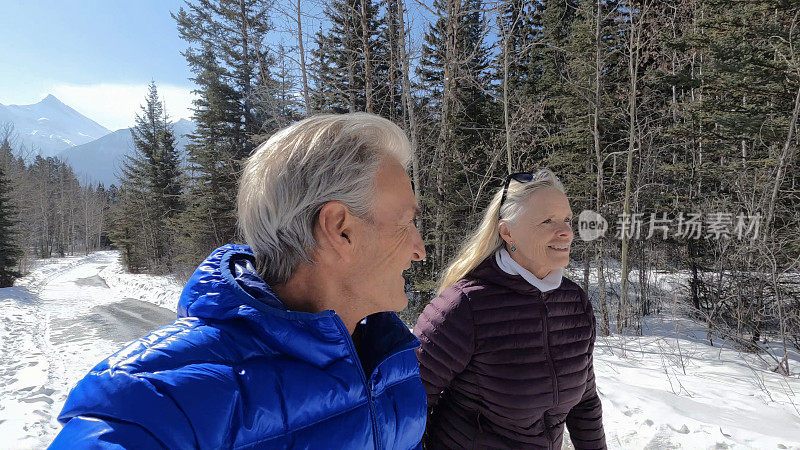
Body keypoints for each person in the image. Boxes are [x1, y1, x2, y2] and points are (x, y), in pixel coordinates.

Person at [51, 113, 428, 449]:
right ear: (339, 230)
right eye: (405, 224)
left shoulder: (393, 359)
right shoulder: (155, 406)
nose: (419, 250)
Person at [414, 169, 606, 449]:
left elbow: (584, 401)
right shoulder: (464, 305)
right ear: (507, 232)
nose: (565, 231)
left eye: (566, 219)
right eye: (547, 221)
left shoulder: (574, 302)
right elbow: (410, 401)